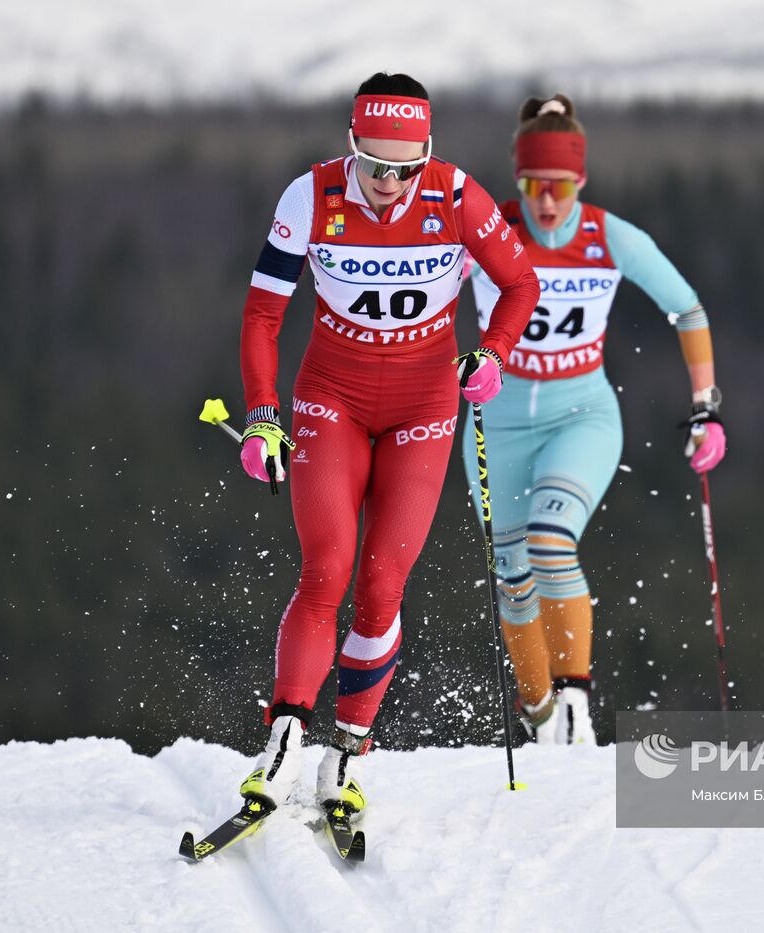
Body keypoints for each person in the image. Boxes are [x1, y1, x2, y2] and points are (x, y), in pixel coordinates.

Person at [235, 72, 538, 814]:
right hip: (331, 398)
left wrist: (493, 354)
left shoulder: (456, 195)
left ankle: (346, 752)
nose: (387, 183)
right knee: (326, 569)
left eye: (405, 169)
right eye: (372, 165)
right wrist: (263, 414)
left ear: (427, 154)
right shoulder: (310, 196)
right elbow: (263, 316)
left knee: (380, 586)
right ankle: (284, 735)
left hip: (423, 407)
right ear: (351, 145)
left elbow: (521, 284)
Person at [465, 95, 726, 745]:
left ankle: (575, 702)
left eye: (558, 187)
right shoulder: (489, 231)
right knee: (512, 577)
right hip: (496, 424)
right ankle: (539, 715)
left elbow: (687, 309)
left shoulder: (610, 238)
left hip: (580, 416)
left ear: (580, 181)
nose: (545, 202)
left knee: (550, 543)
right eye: (532, 185)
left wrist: (706, 406)